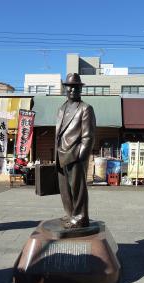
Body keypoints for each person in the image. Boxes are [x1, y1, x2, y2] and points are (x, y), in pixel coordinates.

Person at [55, 73, 96, 229]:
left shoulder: (86, 108)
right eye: (69, 87)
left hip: (75, 155)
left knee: (78, 190)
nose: (72, 90)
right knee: (65, 189)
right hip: (61, 154)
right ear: (65, 88)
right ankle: (71, 213)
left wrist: (81, 156)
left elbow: (88, 136)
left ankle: (80, 217)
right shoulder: (61, 108)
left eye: (76, 87)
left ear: (80, 89)